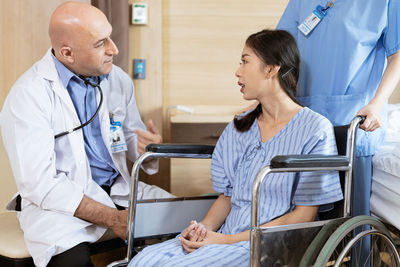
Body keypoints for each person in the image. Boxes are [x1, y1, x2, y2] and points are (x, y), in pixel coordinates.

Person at [129, 29, 343, 267]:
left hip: (270, 245)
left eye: (245, 61)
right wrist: (202, 231)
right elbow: (226, 198)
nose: (237, 71)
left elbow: (304, 215)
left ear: (272, 69)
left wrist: (224, 240)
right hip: (225, 235)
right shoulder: (239, 127)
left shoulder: (314, 130)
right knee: (142, 261)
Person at [1, 2, 173, 267]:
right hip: (59, 207)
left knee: (190, 226)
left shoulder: (117, 80)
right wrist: (115, 219)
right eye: (100, 43)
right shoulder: (29, 95)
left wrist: (146, 150)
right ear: (67, 53)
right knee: (72, 262)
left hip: (118, 191)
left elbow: (127, 138)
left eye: (110, 37)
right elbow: (40, 185)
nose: (113, 49)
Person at [276, 0, 400, 218]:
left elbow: (397, 55)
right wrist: (267, 97)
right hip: (302, 119)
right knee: (299, 220)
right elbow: (280, 51)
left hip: (353, 121)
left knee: (345, 222)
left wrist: (377, 104)